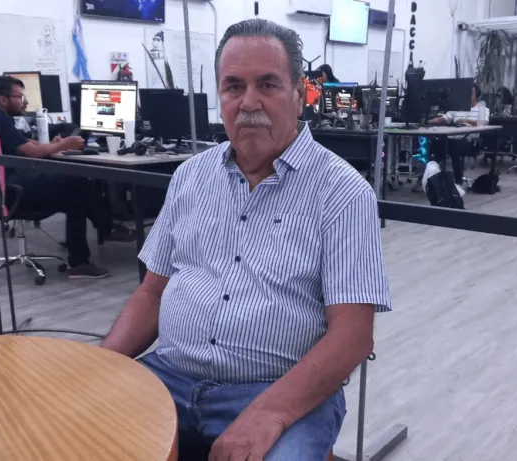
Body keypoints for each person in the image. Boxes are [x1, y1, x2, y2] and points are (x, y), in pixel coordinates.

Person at [101, 18, 391, 460]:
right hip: (168, 378)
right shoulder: (190, 177)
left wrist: (270, 412)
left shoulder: (342, 192)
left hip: (279, 391)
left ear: (299, 94)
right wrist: (99, 368)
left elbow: (353, 336)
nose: (248, 102)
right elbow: (152, 293)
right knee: (68, 437)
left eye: (267, 85)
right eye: (234, 86)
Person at [0, 75, 109, 279]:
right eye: (20, 96)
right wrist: (64, 145)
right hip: (6, 191)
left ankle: (92, 244)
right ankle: (100, 237)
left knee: (74, 190)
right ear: (3, 100)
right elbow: (32, 152)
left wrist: (51, 145)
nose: (24, 101)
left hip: (1, 186)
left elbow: (25, 142)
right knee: (78, 183)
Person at [427, 83, 486, 185]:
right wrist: (428, 121)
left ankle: (457, 180)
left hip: (469, 141)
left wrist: (466, 121)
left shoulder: (482, 109)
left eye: (471, 93)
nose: (467, 96)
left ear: (477, 95)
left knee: (453, 146)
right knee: (433, 144)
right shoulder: (457, 107)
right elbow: (443, 119)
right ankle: (431, 176)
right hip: (451, 138)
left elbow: (483, 123)